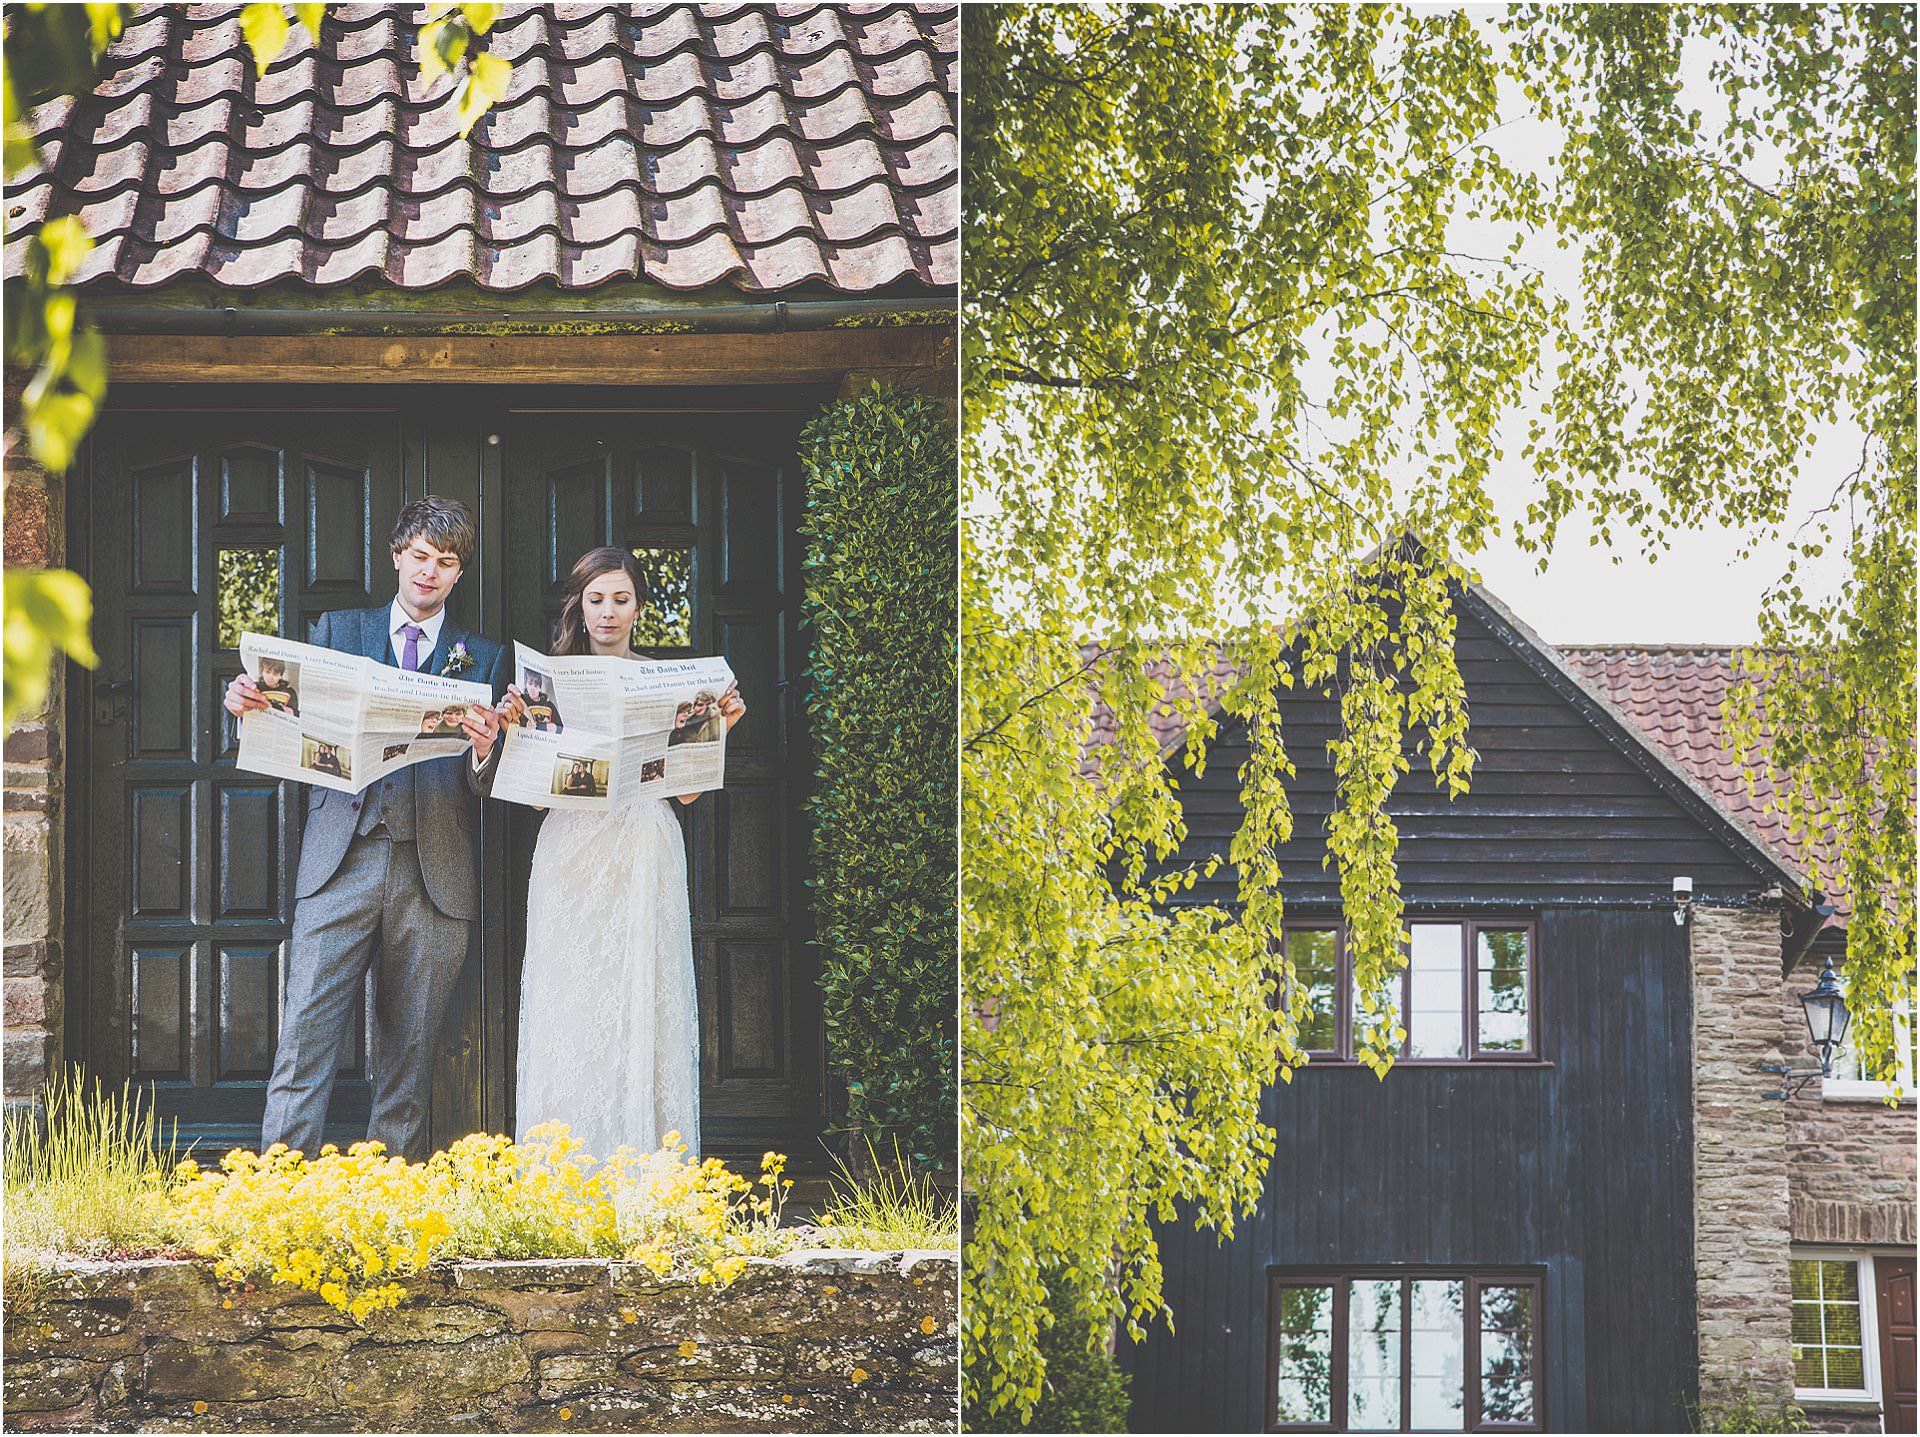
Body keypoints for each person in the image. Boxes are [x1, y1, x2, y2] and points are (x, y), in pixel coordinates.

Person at [224, 497, 507, 1164]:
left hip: (434, 871)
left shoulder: (485, 657)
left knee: (407, 1062)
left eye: (445, 562)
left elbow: (490, 786)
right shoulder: (338, 629)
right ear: (395, 555)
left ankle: (388, 1208)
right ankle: (275, 1202)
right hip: (338, 859)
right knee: (303, 1041)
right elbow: (291, 727)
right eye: (419, 556)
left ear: (458, 573)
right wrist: (248, 705)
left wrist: (487, 748)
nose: (429, 572)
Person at [478, 546, 743, 1159]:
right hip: (570, 847)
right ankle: (565, 1171)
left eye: (621, 599)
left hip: (644, 844)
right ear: (579, 604)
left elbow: (690, 792)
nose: (608, 612)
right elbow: (538, 802)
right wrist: (519, 734)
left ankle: (643, 1162)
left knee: (641, 991)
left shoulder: (666, 682)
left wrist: (719, 728)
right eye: (596, 599)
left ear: (638, 608)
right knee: (569, 998)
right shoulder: (548, 682)